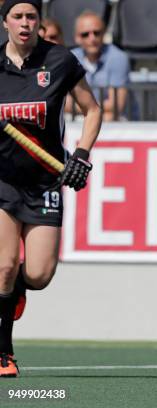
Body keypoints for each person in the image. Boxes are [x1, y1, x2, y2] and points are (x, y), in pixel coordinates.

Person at [0, 0, 102, 377]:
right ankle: (3, 351)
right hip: (3, 180)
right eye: (17, 17)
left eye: (31, 17)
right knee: (5, 264)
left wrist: (81, 155)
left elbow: (93, 110)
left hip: (45, 180)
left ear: (39, 21)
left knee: (39, 274)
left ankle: (12, 295)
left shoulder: (60, 61)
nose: (25, 24)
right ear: (5, 22)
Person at [69, 10, 129, 121]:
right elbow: (63, 103)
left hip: (111, 122)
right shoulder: (70, 58)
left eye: (96, 33)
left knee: (110, 118)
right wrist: (93, 111)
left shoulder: (118, 57)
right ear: (77, 38)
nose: (92, 38)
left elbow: (116, 105)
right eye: (85, 34)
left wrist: (87, 111)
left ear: (104, 33)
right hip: (80, 118)